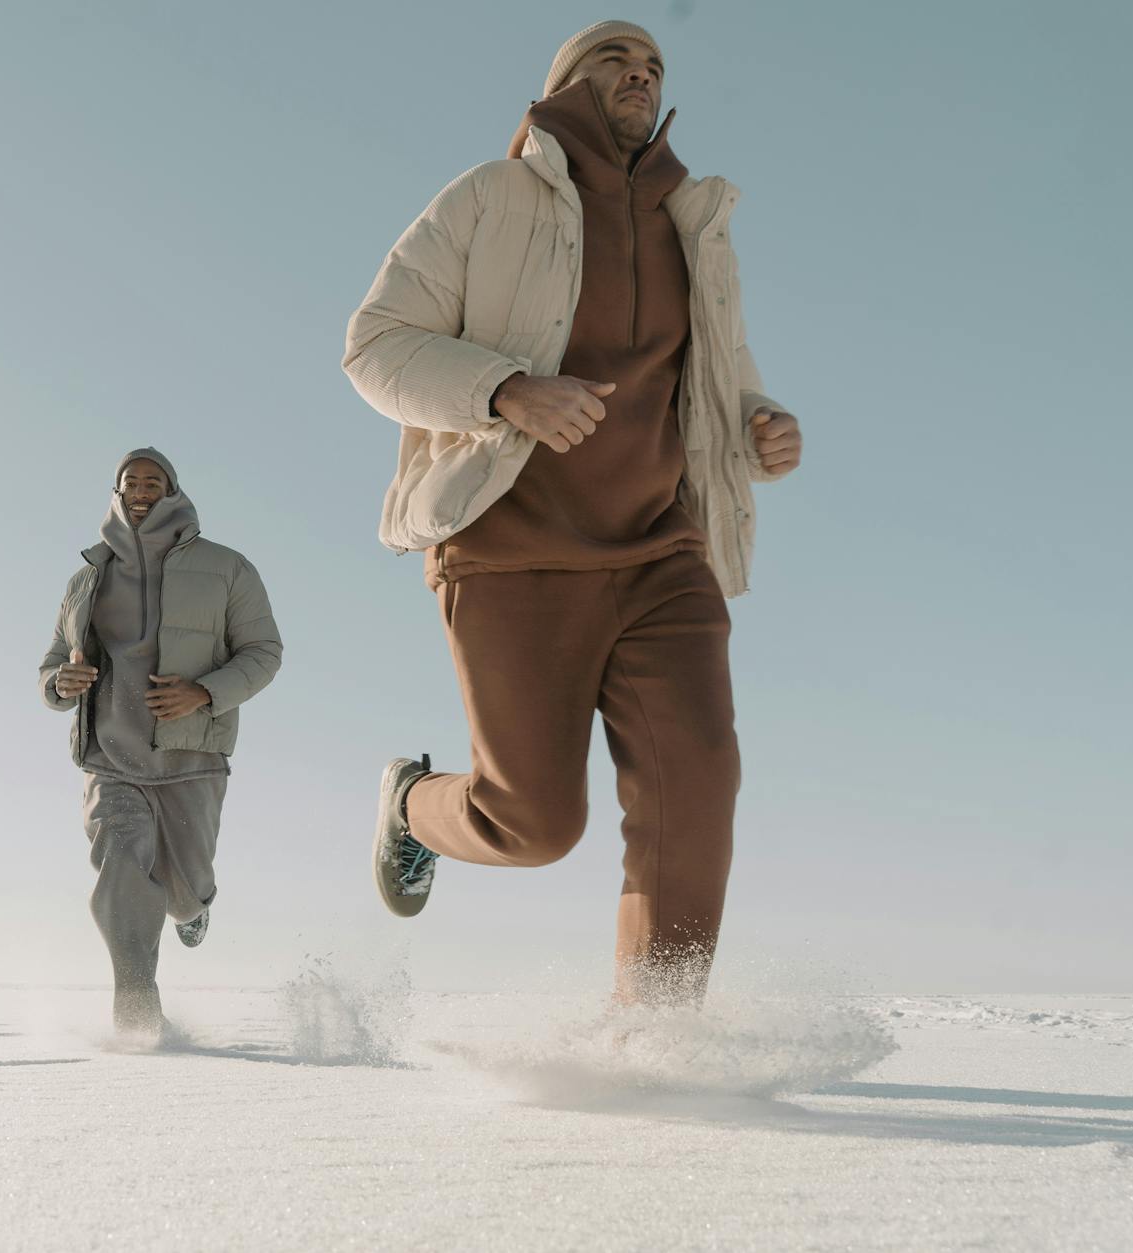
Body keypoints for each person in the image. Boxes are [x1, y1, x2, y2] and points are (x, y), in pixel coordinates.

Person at [341, 21, 805, 1006]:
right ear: (564, 84)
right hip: (510, 550)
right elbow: (375, 344)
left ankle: (654, 1047)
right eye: (614, 58)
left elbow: (719, 371)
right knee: (533, 824)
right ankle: (412, 807)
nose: (639, 72)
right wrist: (504, 389)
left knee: (696, 787)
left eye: (652, 66)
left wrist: (759, 424)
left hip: (658, 552)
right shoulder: (489, 197)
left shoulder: (692, 221)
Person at [38, 449, 282, 1037]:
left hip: (192, 757)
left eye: (154, 481)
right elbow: (53, 662)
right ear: (116, 494)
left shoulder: (227, 568)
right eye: (131, 482)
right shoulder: (87, 578)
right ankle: (138, 1007)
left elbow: (264, 654)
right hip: (110, 755)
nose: (142, 490)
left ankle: (194, 909)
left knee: (184, 889)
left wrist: (203, 692)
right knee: (121, 868)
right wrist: (58, 683)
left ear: (174, 491)